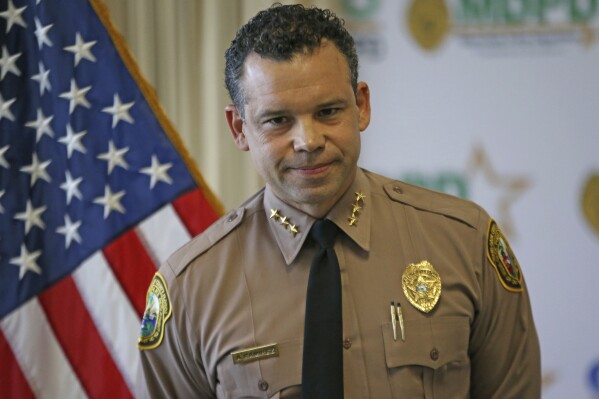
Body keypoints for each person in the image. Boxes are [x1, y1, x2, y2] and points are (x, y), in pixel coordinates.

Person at [137, 3, 541, 398]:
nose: (308, 142)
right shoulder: (190, 289)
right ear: (239, 128)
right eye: (278, 120)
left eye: (328, 111)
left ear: (361, 106)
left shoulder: (465, 244)